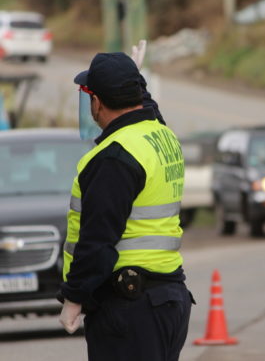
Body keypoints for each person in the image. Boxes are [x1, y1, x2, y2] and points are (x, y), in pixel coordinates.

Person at [58, 41, 194, 361]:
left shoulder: (114, 158)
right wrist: (137, 80)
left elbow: (98, 237)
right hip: (167, 298)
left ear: (98, 101)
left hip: (130, 308)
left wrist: (74, 298)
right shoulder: (160, 135)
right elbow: (149, 110)